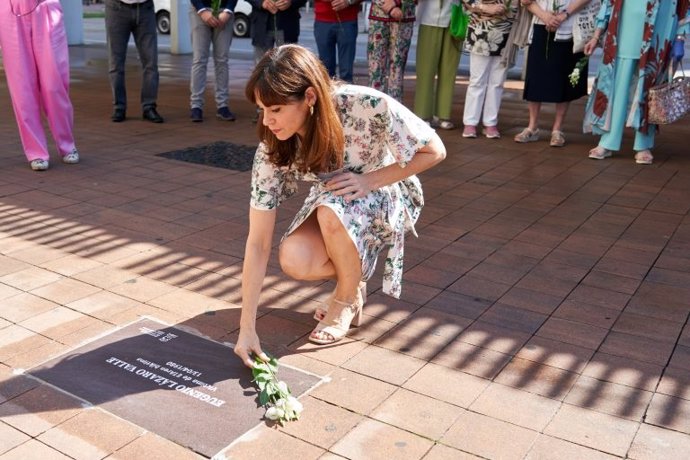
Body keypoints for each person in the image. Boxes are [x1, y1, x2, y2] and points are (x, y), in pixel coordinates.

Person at [233, 44, 446, 367]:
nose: (268, 121)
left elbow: (435, 150)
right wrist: (246, 327)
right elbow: (258, 242)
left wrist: (369, 181)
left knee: (331, 212)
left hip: (384, 188)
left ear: (309, 97)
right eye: (262, 109)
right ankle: (354, 279)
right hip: (333, 197)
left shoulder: (365, 104)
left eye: (276, 109)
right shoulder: (274, 146)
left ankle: (345, 299)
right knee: (294, 258)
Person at [584, 0, 690, 165]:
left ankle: (643, 144)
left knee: (648, 92)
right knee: (616, 90)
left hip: (658, 36)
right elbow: (608, 3)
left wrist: (680, 38)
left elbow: (684, 5)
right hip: (622, 33)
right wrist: (596, 35)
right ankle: (608, 141)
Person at [0, 0, 80, 171]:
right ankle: (36, 151)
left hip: (45, 7)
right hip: (10, 10)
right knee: (22, 89)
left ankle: (66, 143)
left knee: (54, 84)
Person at [514, 0, 592, 147]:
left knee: (564, 75)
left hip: (571, 25)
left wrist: (564, 14)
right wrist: (544, 16)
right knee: (536, 75)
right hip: (541, 22)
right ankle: (532, 127)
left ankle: (558, 129)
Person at [461, 0, 517, 138]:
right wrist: (485, 7)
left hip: (507, 30)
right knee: (477, 79)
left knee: (497, 81)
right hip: (480, 29)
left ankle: (490, 122)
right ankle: (470, 122)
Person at [105, 0, 164, 123]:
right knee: (116, 63)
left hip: (145, 9)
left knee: (151, 62)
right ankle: (119, 107)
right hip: (117, 9)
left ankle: (149, 107)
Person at [413, 0, 462, 130]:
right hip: (428, 18)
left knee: (449, 71)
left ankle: (443, 115)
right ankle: (422, 114)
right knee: (425, 71)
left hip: (454, 19)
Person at [189, 0, 238, 123]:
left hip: (224, 12)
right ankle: (196, 106)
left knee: (222, 60)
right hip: (200, 11)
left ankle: (223, 106)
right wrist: (201, 10)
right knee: (199, 60)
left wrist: (228, 10)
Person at [367, 0, 417, 101]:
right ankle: (374, 109)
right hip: (378, 16)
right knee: (375, 68)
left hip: (403, 17)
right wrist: (388, 6)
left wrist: (396, 2)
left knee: (397, 69)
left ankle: (394, 110)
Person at [313, 0, 362, 83]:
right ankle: (328, 94)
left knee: (346, 72)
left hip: (348, 19)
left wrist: (348, 1)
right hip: (322, 19)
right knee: (326, 71)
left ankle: (346, 94)